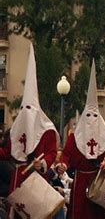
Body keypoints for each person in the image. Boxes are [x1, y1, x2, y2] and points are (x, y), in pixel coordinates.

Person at [0, 46, 58, 216]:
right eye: (23, 108)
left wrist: (44, 163)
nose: (26, 112)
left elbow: (51, 152)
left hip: (37, 179)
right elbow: (9, 152)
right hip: (18, 177)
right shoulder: (16, 129)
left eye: (30, 108)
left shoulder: (47, 131)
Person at [57, 61, 105, 219]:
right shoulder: (75, 137)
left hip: (99, 180)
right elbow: (66, 155)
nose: (91, 119)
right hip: (80, 180)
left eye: (94, 116)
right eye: (88, 116)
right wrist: (63, 164)